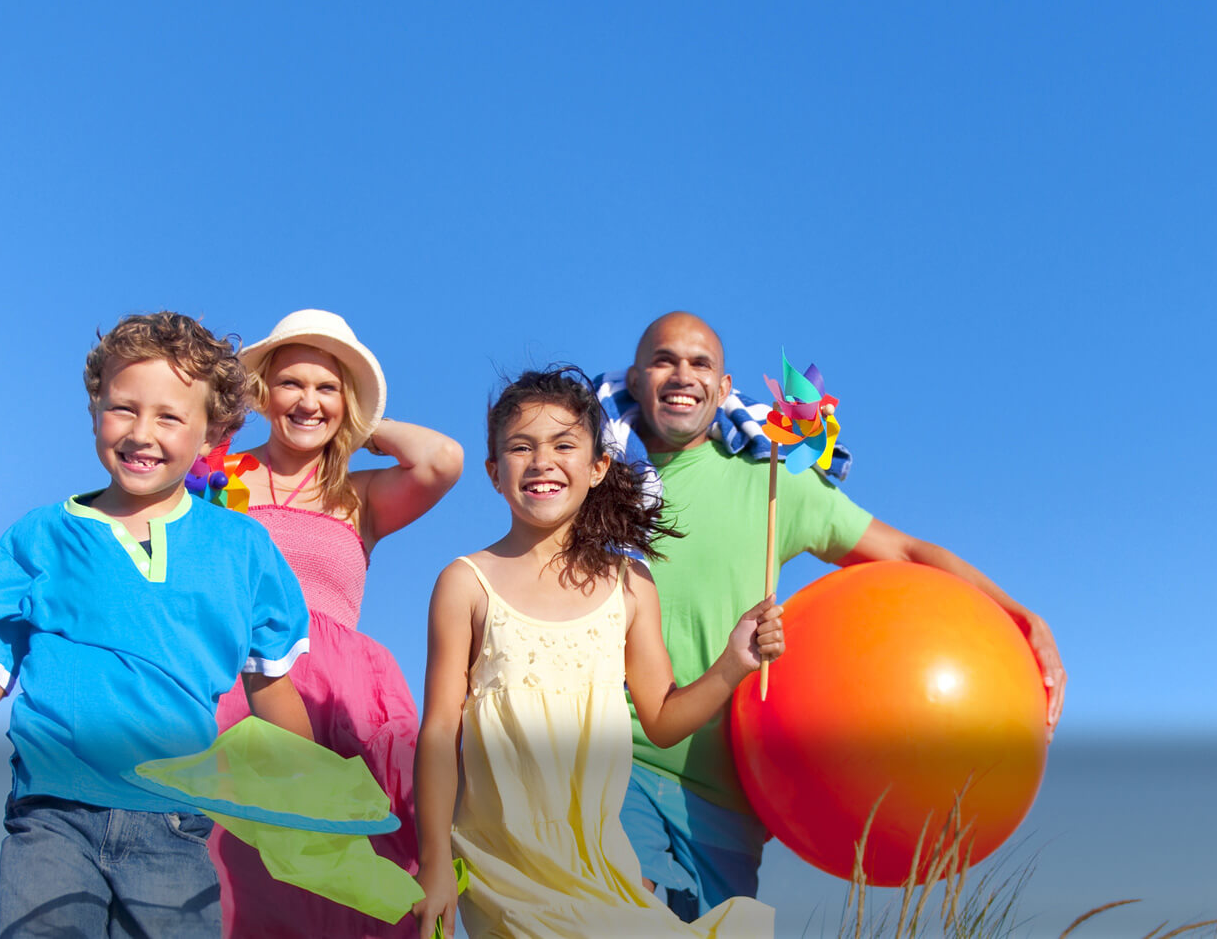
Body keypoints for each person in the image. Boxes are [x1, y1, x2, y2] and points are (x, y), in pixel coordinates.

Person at [0, 312, 316, 937]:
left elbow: (269, 683)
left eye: (170, 416)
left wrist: (307, 783)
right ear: (94, 411)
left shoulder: (244, 548)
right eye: (122, 408)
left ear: (211, 434)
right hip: (52, 820)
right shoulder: (39, 537)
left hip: (173, 824)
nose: (142, 433)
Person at [604, 311, 1068, 922]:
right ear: (636, 380)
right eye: (664, 360)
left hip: (730, 796)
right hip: (619, 761)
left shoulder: (770, 479)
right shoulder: (596, 483)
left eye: (700, 363)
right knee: (617, 910)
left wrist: (1021, 614)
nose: (681, 375)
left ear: (723, 387)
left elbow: (903, 554)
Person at [412, 367, 783, 939]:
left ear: (598, 466)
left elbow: (661, 720)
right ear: (493, 472)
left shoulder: (630, 586)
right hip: (500, 865)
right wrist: (435, 861)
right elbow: (439, 731)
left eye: (564, 444)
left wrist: (734, 663)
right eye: (520, 446)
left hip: (599, 861)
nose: (541, 461)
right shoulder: (465, 583)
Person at [208, 308, 463, 939]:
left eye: (328, 388)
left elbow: (443, 459)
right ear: (264, 391)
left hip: (340, 697)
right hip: (240, 689)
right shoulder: (216, 477)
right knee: (242, 872)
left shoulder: (359, 493)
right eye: (292, 383)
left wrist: (364, 424)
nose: (308, 402)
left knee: (343, 879)